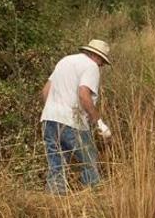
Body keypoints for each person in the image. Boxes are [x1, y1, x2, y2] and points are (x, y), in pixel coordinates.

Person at [40, 39, 113, 194]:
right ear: (97, 57)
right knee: (88, 159)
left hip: (49, 118)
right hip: (71, 121)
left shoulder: (65, 60)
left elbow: (46, 90)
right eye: (102, 62)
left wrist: (54, 110)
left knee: (56, 164)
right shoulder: (91, 66)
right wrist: (99, 123)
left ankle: (55, 200)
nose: (101, 66)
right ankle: (94, 197)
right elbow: (83, 94)